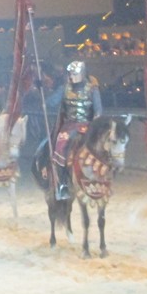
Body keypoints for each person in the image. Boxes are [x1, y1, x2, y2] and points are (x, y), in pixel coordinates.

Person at [47, 60, 102, 201]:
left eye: (75, 74)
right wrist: (43, 90)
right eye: (70, 74)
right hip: (70, 126)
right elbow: (51, 102)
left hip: (87, 125)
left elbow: (98, 111)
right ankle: (63, 184)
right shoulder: (64, 89)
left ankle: (103, 177)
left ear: (82, 74)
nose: (72, 77)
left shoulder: (92, 89)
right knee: (60, 146)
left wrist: (95, 124)